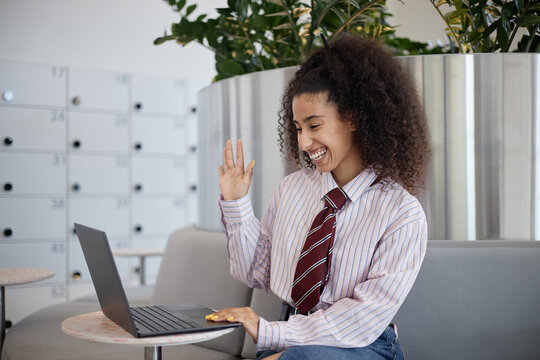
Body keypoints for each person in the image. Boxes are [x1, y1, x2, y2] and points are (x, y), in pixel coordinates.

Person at [208, 34, 431, 360]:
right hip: (292, 336)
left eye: (314, 125)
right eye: (298, 128)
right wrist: (236, 204)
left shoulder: (401, 213)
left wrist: (271, 332)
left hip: (361, 345)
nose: (303, 142)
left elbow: (363, 318)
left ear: (352, 118)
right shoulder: (291, 190)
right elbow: (256, 273)